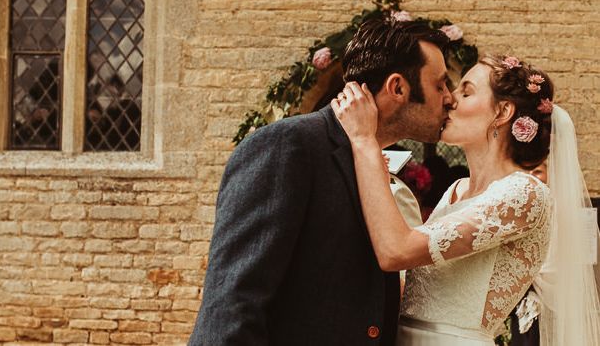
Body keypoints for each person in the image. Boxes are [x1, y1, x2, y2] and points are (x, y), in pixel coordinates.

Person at [189, 17, 453, 345]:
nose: (450, 98)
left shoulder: (368, 158)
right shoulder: (288, 146)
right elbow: (232, 303)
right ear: (397, 87)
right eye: (440, 85)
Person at [333, 55, 600, 345]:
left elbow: (396, 251)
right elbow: (414, 283)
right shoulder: (456, 190)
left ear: (503, 111)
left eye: (466, 91)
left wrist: (364, 142)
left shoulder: (524, 193)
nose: (450, 99)